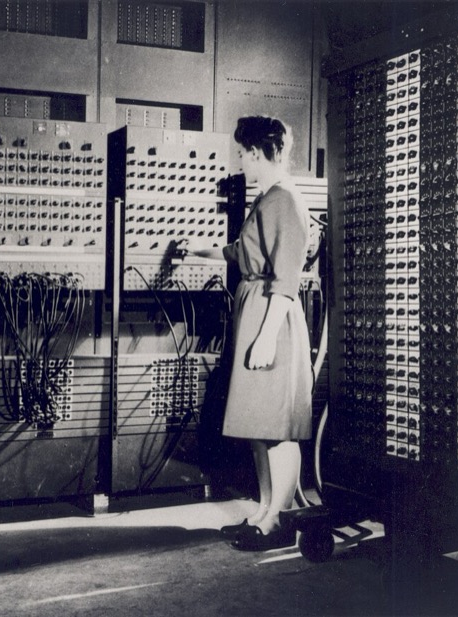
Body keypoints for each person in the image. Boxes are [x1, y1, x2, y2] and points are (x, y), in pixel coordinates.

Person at [194, 116, 312, 551]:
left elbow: (286, 278)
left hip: (271, 319)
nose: (241, 161)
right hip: (256, 312)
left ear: (260, 154)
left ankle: (279, 520)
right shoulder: (267, 199)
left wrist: (265, 337)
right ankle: (265, 510)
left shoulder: (285, 200)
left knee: (277, 427)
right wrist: (198, 251)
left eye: (244, 153)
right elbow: (241, 252)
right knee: (259, 425)